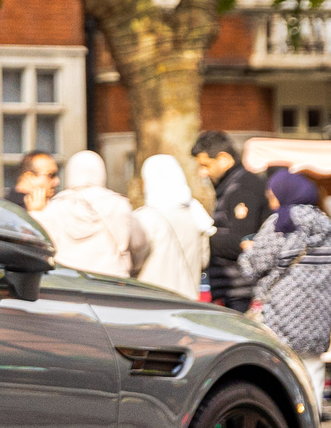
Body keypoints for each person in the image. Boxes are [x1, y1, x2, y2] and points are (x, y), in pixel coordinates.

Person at [244, 169, 331, 363]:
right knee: (313, 379)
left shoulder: (282, 222)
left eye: (273, 197)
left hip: (282, 320)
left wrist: (247, 251)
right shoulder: (326, 223)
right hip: (318, 323)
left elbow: (256, 264)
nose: (271, 203)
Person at [192, 130, 270, 310]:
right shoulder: (229, 187)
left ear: (224, 159)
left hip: (241, 291)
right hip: (231, 288)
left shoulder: (242, 187)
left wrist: (202, 237)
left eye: (205, 165)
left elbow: (242, 241)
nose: (202, 173)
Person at [41, 150, 141, 276]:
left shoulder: (54, 206)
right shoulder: (119, 204)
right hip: (113, 279)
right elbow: (138, 244)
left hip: (68, 278)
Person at [130, 153, 214, 297]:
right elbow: (204, 260)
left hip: (153, 299)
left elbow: (133, 262)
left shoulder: (145, 217)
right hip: (188, 298)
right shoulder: (196, 213)